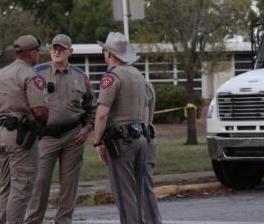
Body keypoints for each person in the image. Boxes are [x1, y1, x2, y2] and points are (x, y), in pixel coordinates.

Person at [25, 34, 96, 224]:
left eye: (61, 48)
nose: (57, 51)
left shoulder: (80, 76)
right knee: (40, 183)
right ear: (50, 50)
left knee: (69, 184)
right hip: (46, 137)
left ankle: (64, 221)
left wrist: (88, 128)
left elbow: (92, 106)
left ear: (69, 52)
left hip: (74, 136)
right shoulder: (37, 73)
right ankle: (33, 221)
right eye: (54, 48)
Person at [92, 32, 152, 223]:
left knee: (123, 194)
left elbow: (102, 114)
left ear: (109, 54)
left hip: (120, 142)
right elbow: (145, 110)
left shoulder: (112, 77)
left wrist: (97, 142)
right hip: (140, 137)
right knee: (137, 191)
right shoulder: (138, 75)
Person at [0, 35, 49, 224]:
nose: (38, 55)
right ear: (31, 53)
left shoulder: (1, 73)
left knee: (7, 186)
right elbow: (39, 110)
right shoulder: (30, 75)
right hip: (21, 136)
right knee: (22, 187)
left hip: (2, 133)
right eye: (38, 51)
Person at [141, 82, 162, 223]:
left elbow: (144, 115)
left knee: (144, 189)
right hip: (141, 141)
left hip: (143, 141)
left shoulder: (141, 84)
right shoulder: (141, 82)